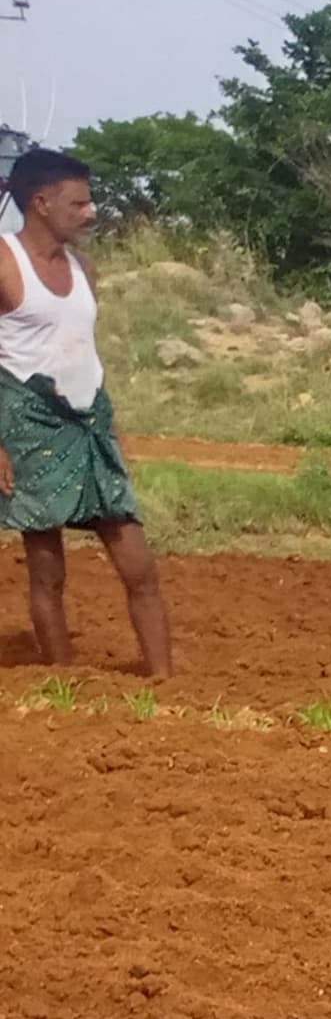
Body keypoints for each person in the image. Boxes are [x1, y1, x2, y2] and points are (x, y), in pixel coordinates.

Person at [1, 146, 173, 681]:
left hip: (89, 424)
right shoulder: (4, 262)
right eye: (78, 203)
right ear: (41, 203)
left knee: (139, 565)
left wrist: (110, 429)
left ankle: (165, 681)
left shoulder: (84, 269)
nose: (91, 212)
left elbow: (83, 352)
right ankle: (62, 681)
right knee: (47, 569)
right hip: (30, 425)